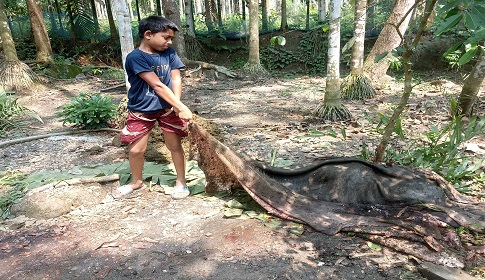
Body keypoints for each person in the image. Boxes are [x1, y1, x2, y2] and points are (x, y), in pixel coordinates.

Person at [113, 16, 193, 200]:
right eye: (166, 37)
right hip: (141, 109)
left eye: (171, 38)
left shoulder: (170, 53)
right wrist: (180, 106)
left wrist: (176, 105)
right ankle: (136, 182)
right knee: (136, 150)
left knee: (175, 146)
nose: (169, 42)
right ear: (148, 34)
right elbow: (156, 85)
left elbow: (176, 78)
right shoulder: (135, 57)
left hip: (168, 108)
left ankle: (181, 181)